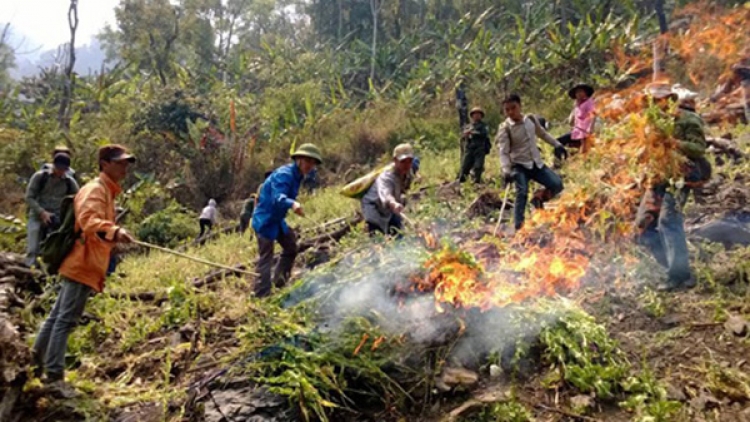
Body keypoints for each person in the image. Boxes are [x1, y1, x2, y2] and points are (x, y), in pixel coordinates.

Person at [32, 144, 136, 398]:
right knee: (65, 319)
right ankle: (54, 376)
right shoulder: (95, 190)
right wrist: (115, 232)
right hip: (83, 262)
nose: (125, 168)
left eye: (126, 163)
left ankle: (34, 365)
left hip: (85, 262)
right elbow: (90, 223)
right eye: (120, 162)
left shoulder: (106, 191)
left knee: (57, 316)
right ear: (105, 163)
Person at [635, 83, 709, 291]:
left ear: (670, 100)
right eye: (653, 101)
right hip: (657, 178)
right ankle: (673, 267)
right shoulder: (652, 123)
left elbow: (699, 148)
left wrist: (674, 143)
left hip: (681, 176)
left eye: (661, 100)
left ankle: (680, 276)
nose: (658, 105)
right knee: (643, 225)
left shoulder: (688, 119)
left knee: (669, 220)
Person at [252, 143, 322, 297]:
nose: (310, 166)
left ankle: (279, 282)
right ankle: (260, 295)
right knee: (266, 257)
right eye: (308, 161)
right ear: (299, 160)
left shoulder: (298, 176)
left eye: (313, 163)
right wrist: (293, 204)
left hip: (277, 220)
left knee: (291, 247)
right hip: (265, 219)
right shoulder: (285, 175)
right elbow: (278, 198)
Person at [495, 94, 568, 231]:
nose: (511, 112)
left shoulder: (531, 120)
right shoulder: (505, 128)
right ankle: (519, 228)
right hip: (519, 166)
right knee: (521, 192)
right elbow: (503, 152)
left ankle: (539, 198)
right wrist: (506, 170)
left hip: (536, 164)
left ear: (520, 106)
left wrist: (557, 145)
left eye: (513, 108)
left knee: (557, 184)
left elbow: (543, 134)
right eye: (507, 110)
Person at [25, 152, 80, 267]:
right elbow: (29, 197)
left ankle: (47, 273)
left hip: (56, 218)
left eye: (63, 169)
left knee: (52, 249)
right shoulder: (40, 177)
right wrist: (42, 212)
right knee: (33, 247)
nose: (60, 172)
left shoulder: (69, 182)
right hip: (37, 214)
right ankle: (29, 270)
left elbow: (78, 198)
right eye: (58, 168)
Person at [362, 143, 414, 237]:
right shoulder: (386, 177)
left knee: (398, 236)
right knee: (378, 240)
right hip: (374, 208)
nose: (407, 165)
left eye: (409, 161)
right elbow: (386, 195)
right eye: (403, 161)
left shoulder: (407, 174)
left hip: (390, 210)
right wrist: (394, 203)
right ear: (395, 160)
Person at [557, 83, 596, 153]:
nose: (579, 94)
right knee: (557, 142)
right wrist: (575, 108)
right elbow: (571, 121)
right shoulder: (577, 105)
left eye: (581, 91)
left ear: (585, 92)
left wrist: (591, 128)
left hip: (585, 132)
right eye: (577, 92)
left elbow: (593, 115)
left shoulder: (589, 102)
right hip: (577, 132)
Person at [458, 107, 491, 184]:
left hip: (480, 148)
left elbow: (484, 134)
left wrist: (473, 133)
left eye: (478, 114)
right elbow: (462, 137)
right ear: (472, 116)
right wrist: (465, 135)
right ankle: (461, 182)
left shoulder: (483, 126)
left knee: (478, 166)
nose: (476, 116)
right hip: (469, 149)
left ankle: (477, 183)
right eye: (475, 114)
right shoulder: (468, 126)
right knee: (465, 167)